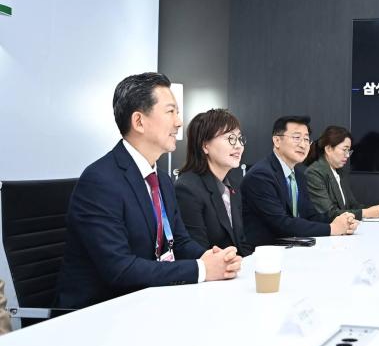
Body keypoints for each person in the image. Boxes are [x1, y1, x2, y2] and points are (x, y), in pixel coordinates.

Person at [56, 73, 242, 309]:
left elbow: (180, 241)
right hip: (98, 311)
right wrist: (202, 269)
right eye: (170, 111)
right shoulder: (99, 181)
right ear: (139, 122)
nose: (179, 122)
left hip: (148, 301)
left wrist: (208, 257)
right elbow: (119, 269)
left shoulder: (162, 179)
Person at [241, 116, 357, 246]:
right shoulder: (260, 176)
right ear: (277, 140)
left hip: (294, 246)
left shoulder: (299, 175)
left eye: (306, 139)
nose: (303, 145)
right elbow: (282, 224)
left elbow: (311, 215)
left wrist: (342, 221)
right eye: (296, 138)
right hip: (264, 251)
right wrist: (332, 229)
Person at [176, 109, 253, 256]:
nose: (238, 145)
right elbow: (196, 252)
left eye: (239, 138)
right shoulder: (187, 189)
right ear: (205, 146)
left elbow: (240, 242)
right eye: (230, 138)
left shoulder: (233, 186)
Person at [304, 126, 379, 221]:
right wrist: (366, 213)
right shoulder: (314, 172)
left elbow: (353, 205)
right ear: (328, 149)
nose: (347, 155)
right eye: (344, 150)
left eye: (348, 151)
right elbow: (329, 213)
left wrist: (376, 209)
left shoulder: (339, 171)